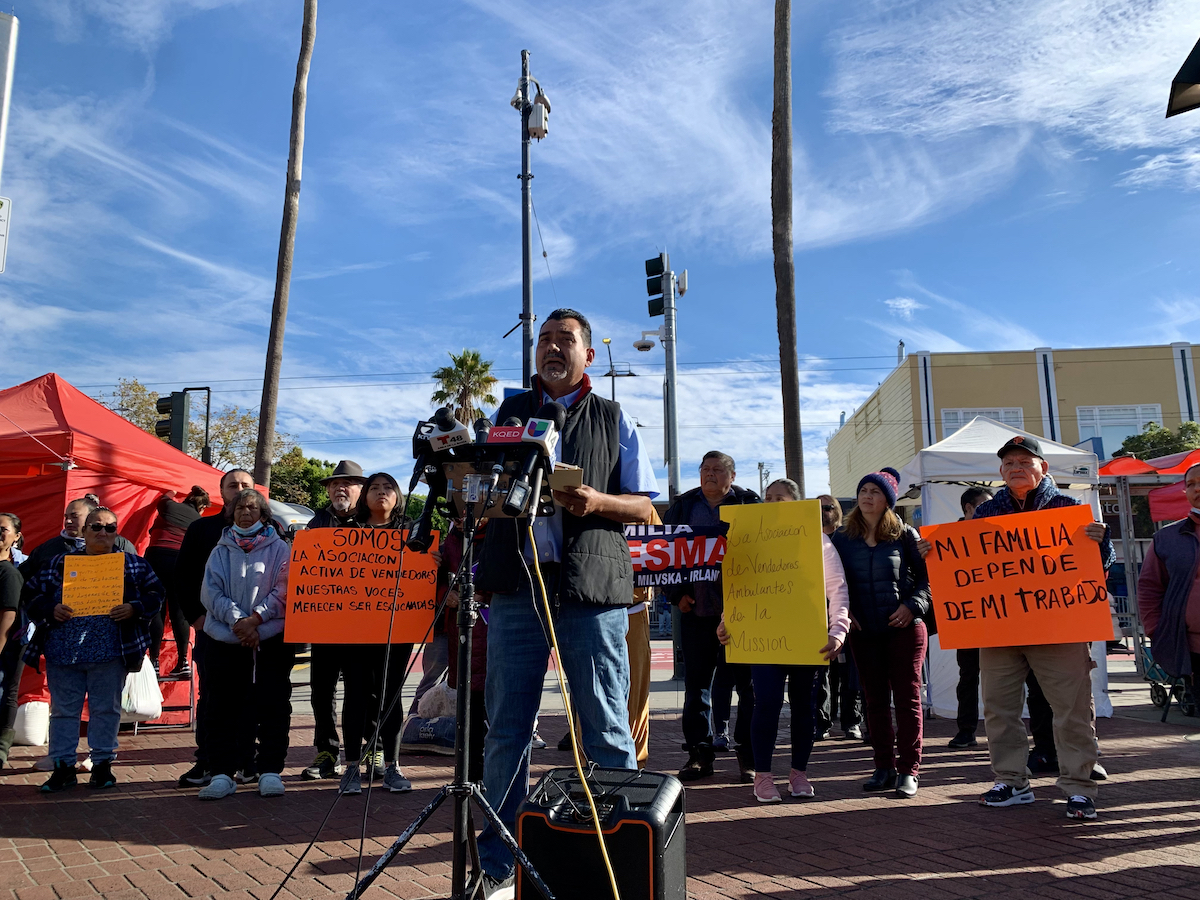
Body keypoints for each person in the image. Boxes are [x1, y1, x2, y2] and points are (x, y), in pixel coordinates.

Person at [473, 308, 659, 897]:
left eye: (566, 340)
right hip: (516, 590)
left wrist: (596, 501)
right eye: (544, 340)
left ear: (589, 355)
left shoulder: (614, 417)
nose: (553, 348)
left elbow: (646, 508)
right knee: (506, 731)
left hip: (590, 593)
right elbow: (475, 495)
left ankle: (618, 860)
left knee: (605, 727)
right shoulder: (504, 416)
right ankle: (501, 867)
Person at [922, 435, 1113, 820]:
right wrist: (934, 555)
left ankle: (1078, 787)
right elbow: (966, 568)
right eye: (1009, 464)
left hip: (1059, 629)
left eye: (1025, 462)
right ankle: (1010, 780)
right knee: (998, 707)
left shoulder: (1070, 509)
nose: (1016, 468)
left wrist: (1101, 543)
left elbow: (1099, 568)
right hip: (1001, 630)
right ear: (1000, 472)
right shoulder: (985, 514)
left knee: (1071, 708)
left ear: (1043, 468)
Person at [717, 478, 850, 803]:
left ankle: (799, 774)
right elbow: (739, 587)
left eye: (780, 497)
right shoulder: (749, 539)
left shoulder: (818, 541)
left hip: (807, 639)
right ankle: (762, 776)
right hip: (764, 639)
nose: (772, 502)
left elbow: (837, 589)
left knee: (805, 707)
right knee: (767, 703)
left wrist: (838, 631)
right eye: (768, 497)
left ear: (797, 503)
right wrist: (726, 622)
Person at [23, 507, 163, 792]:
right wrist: (50, 608)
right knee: (63, 712)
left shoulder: (133, 564)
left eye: (110, 528)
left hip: (112, 652)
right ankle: (62, 767)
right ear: (84, 532)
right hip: (63, 651)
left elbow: (156, 594)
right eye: (96, 527)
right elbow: (30, 592)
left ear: (116, 533)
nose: (103, 533)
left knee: (106, 710)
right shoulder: (59, 563)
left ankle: (102, 766)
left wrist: (134, 608)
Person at [830, 470, 930, 799]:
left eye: (875, 491)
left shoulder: (905, 535)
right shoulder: (842, 539)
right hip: (864, 632)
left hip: (904, 629)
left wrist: (912, 606)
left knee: (907, 699)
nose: (867, 496)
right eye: (863, 490)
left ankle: (908, 770)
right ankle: (883, 767)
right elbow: (832, 582)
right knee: (874, 702)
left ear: (888, 500)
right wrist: (848, 616)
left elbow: (929, 582)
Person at [665, 451, 760, 783]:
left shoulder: (751, 504)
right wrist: (677, 595)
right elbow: (666, 553)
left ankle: (748, 757)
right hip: (696, 612)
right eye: (705, 469)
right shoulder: (683, 506)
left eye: (718, 470)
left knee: (747, 689)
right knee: (696, 689)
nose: (710, 474)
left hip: (741, 614)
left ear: (732, 476)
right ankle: (699, 756)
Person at [197, 489, 293, 800]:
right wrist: (239, 623)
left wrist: (257, 620)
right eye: (239, 507)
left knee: (273, 706)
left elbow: (284, 590)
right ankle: (223, 773)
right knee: (220, 708)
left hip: (270, 642)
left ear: (264, 514)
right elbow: (210, 593)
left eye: (252, 507)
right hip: (224, 641)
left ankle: (269, 770)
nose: (245, 512)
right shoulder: (219, 551)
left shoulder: (281, 549)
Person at [173, 468, 256, 788]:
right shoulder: (202, 528)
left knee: (251, 696)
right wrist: (196, 618)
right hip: (212, 631)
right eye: (232, 485)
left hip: (256, 632)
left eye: (245, 485)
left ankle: (248, 761)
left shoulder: (271, 530)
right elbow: (183, 577)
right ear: (221, 492)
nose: (239, 490)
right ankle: (207, 760)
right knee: (212, 698)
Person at [339, 472, 415, 796]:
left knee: (390, 696)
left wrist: (431, 561)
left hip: (397, 631)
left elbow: (424, 576)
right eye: (374, 488)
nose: (381, 493)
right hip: (354, 630)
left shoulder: (412, 535)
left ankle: (393, 766)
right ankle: (352, 767)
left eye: (388, 488)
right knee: (356, 694)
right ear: (364, 497)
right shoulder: (345, 534)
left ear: (397, 496)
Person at [303, 460, 368, 781]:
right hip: (323, 625)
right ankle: (327, 752)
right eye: (334, 484)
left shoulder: (375, 525)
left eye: (349, 483)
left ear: (360, 489)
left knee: (363, 691)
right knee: (321, 691)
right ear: (328, 490)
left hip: (362, 628)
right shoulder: (314, 526)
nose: (340, 488)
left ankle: (372, 749)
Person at [1138, 462, 1200, 692]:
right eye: (1191, 484)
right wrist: (1157, 630)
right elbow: (1149, 588)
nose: (1197, 489)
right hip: (1193, 649)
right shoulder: (1167, 538)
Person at [145, 486, 211, 677]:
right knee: (178, 611)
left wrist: (175, 489)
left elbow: (163, 498)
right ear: (201, 507)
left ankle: (154, 661)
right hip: (179, 560)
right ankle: (183, 662)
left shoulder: (169, 507)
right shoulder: (199, 521)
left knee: (156, 609)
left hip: (155, 556)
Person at [813, 494, 862, 741]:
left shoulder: (848, 539)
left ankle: (852, 721)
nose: (822, 511)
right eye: (817, 507)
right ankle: (821, 722)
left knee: (852, 675)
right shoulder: (807, 540)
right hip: (817, 617)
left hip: (849, 616)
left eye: (828, 507)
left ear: (838, 512)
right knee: (822, 674)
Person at [947, 486, 993, 751]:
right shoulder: (949, 540)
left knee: (1007, 677)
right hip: (968, 619)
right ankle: (966, 730)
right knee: (968, 677)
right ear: (968, 509)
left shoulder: (1000, 532)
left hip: (1000, 618)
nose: (990, 509)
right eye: (984, 505)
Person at [19, 496, 136, 580]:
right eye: (66, 517)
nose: (68, 521)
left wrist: (132, 607)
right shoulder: (49, 549)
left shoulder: (121, 546)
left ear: (91, 517)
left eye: (74, 516)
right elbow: (27, 581)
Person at [0, 513, 24, 769]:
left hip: (11, 641)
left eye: (2, 530)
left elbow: (8, 614)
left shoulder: (10, 572)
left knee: (7, 691)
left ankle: (2, 747)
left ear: (16, 536)